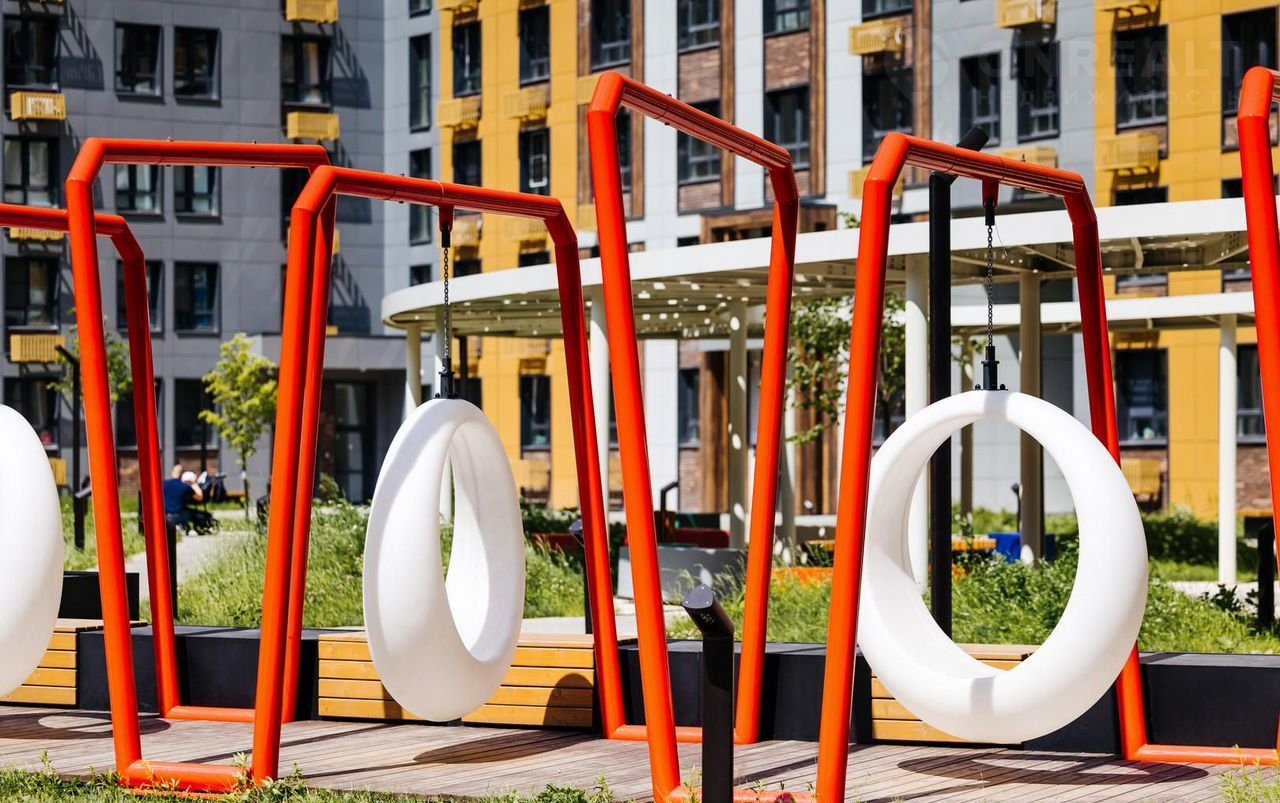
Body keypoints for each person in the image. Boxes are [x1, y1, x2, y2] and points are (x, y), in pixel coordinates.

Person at [163, 464, 204, 534]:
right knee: (193, 513)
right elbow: (200, 497)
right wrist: (194, 483)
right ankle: (182, 525)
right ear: (182, 474)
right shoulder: (185, 487)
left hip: (165, 515)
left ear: (172, 472)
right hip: (178, 515)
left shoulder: (164, 484)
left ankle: (180, 526)